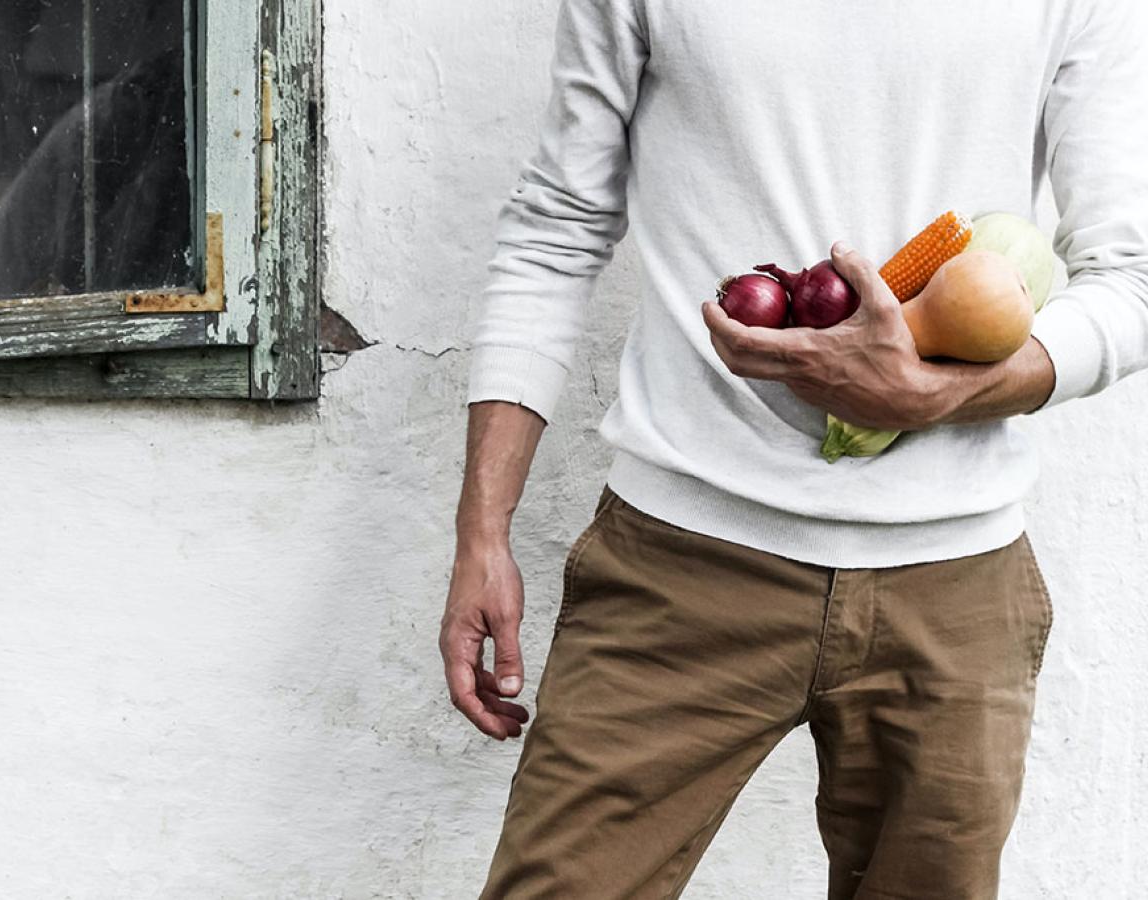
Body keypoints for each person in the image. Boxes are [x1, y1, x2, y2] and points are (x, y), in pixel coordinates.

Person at [439, 2, 1148, 897]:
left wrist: (937, 396)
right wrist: (481, 531)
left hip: (955, 589)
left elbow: (1131, 278)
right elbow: (554, 229)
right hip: (679, 564)